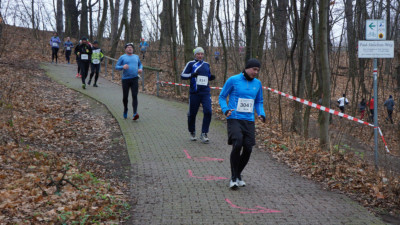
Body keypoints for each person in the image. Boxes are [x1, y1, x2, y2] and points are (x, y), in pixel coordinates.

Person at [219, 58, 266, 190]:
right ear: (247, 68)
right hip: (234, 117)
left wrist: (261, 113)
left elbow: (259, 101)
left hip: (249, 120)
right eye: (254, 69)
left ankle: (238, 174)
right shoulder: (233, 80)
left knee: (248, 148)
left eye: (258, 70)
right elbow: (222, 96)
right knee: (238, 142)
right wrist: (225, 110)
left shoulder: (258, 83)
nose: (256, 72)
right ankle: (233, 178)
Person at [181, 47, 216, 143]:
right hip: (194, 93)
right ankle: (192, 131)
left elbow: (207, 76)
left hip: (205, 92)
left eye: (201, 54)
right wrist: (192, 75)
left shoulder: (206, 64)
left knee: (208, 111)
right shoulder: (191, 64)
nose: (200, 56)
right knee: (192, 114)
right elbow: (182, 75)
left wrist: (211, 77)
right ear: (195, 55)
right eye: (198, 54)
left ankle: (204, 133)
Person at [115, 43, 143, 120]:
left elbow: (140, 64)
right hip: (125, 80)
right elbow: (116, 67)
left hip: (134, 79)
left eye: (131, 47)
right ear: (125, 49)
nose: (130, 48)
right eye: (128, 47)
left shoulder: (136, 57)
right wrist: (122, 66)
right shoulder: (122, 57)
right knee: (125, 97)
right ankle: (125, 109)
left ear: (133, 49)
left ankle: (135, 113)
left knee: (134, 96)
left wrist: (140, 69)